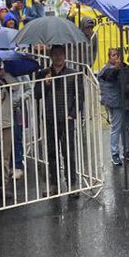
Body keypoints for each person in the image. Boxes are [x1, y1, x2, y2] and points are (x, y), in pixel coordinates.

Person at [35, 44, 79, 192]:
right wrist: (45, 84)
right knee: (52, 152)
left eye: (61, 54)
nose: (58, 57)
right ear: (51, 56)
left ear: (65, 55)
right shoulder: (43, 74)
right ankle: (54, 183)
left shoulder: (73, 73)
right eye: (55, 54)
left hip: (66, 119)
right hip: (49, 118)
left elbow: (79, 97)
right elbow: (36, 95)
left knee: (69, 152)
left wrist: (72, 114)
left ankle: (72, 183)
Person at [97, 47, 129, 166]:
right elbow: (110, 75)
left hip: (119, 101)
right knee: (116, 128)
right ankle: (115, 153)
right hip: (115, 102)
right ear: (109, 57)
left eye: (117, 55)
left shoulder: (123, 67)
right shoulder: (107, 70)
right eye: (113, 55)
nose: (115, 57)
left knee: (124, 126)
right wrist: (117, 68)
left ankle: (126, 150)